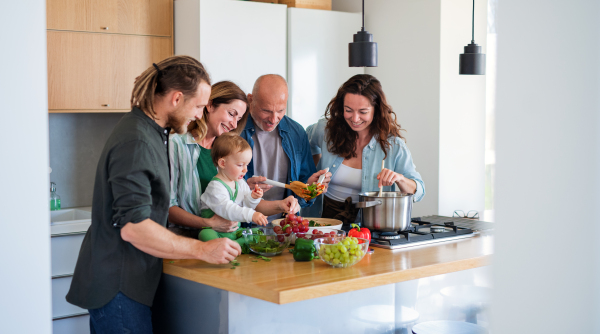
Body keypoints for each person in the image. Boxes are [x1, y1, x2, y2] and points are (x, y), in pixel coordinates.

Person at [66, 56, 242, 333]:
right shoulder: (137, 140)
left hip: (129, 281)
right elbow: (134, 228)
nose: (199, 114)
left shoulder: (149, 131)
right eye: (197, 106)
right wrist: (203, 248)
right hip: (120, 285)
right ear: (176, 98)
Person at [169, 80, 298, 237]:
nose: (234, 124)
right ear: (209, 106)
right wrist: (207, 223)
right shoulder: (177, 144)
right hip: (184, 237)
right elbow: (167, 206)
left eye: (239, 118)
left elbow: (245, 205)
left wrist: (282, 205)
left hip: (223, 239)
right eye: (231, 114)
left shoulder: (230, 151)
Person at [302, 74, 425, 224]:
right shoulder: (325, 130)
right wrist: (311, 174)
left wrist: (399, 179)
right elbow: (305, 143)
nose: (354, 118)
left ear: (376, 110)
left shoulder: (394, 147)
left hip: (367, 226)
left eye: (363, 112)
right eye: (348, 110)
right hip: (320, 220)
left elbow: (419, 191)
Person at [242, 74, 331, 221]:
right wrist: (243, 189)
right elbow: (220, 189)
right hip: (243, 225)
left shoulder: (296, 133)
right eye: (266, 110)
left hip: (284, 227)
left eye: (281, 111)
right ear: (250, 99)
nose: (273, 119)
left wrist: (309, 188)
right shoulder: (235, 130)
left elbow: (303, 190)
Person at [198, 133, 296, 252]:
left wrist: (252, 198)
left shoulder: (240, 182)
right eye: (240, 165)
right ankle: (229, 247)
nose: (245, 170)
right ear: (222, 163)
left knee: (257, 232)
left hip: (234, 231)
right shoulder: (215, 187)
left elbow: (246, 205)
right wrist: (251, 215)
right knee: (205, 234)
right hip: (216, 232)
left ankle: (233, 246)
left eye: (247, 165)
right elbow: (228, 209)